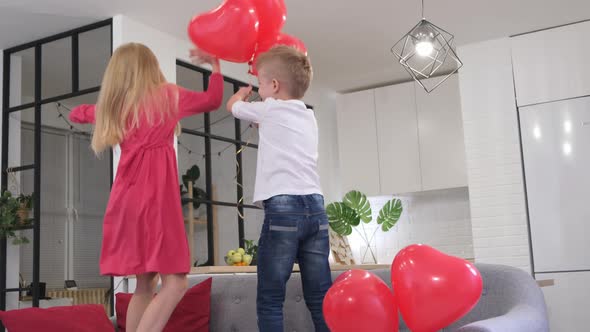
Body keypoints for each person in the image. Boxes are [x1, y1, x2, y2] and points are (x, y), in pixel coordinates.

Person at [69, 43, 223, 332]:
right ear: (151, 68)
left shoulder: (114, 108)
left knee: (146, 283)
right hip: (156, 201)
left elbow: (78, 112)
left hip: (126, 201)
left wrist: (96, 111)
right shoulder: (167, 97)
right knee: (176, 282)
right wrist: (215, 68)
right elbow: (213, 100)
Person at [226, 45, 331, 332]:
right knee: (321, 295)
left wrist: (241, 94)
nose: (258, 89)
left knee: (271, 297)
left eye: (259, 83)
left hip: (284, 209)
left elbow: (232, 108)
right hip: (316, 209)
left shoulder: (268, 108)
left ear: (274, 85)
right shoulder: (309, 116)